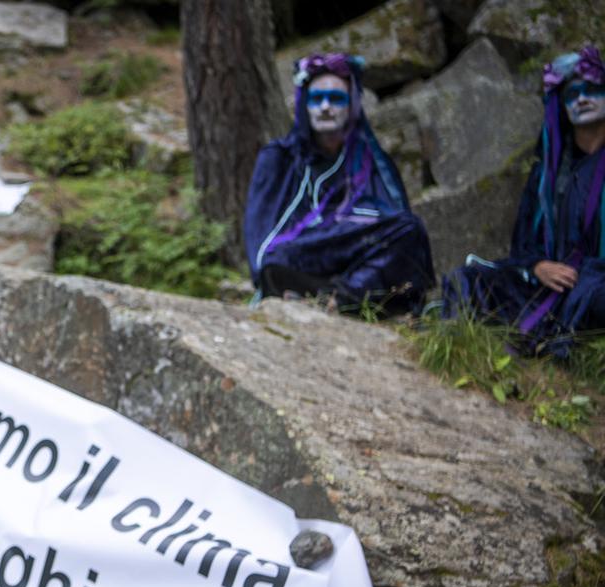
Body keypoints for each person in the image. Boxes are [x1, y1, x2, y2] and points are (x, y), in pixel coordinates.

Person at [441, 45, 605, 357]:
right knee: (466, 279)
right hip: (546, 286)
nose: (582, 99)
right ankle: (461, 350)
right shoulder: (548, 172)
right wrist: (538, 266)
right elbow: (523, 244)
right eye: (572, 94)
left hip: (595, 287)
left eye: (592, 89)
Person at [244, 52, 434, 316]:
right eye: (316, 99)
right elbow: (262, 237)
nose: (325, 107)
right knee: (275, 263)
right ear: (304, 105)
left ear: (352, 104)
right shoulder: (279, 157)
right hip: (302, 256)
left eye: (335, 99)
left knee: (409, 230)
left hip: (357, 259)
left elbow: (391, 222)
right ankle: (338, 296)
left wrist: (351, 228)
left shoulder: (372, 162)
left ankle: (340, 298)